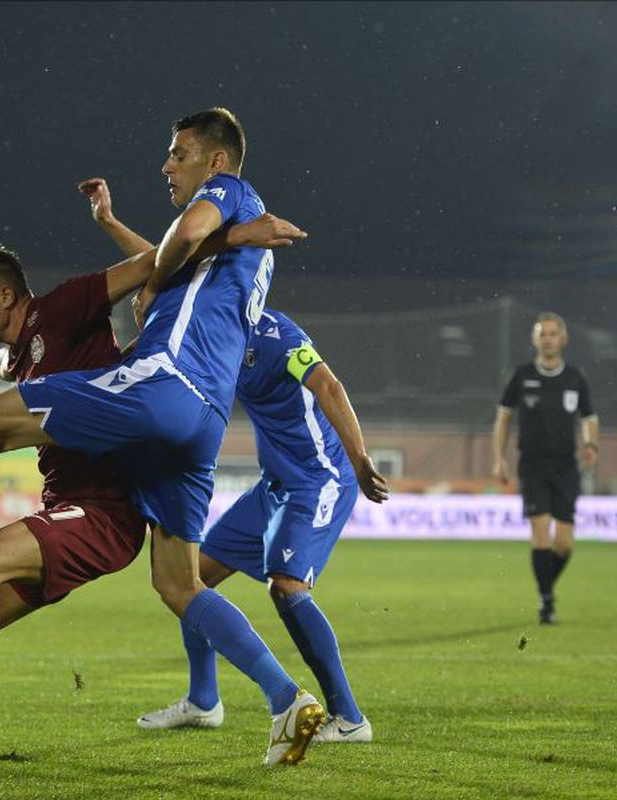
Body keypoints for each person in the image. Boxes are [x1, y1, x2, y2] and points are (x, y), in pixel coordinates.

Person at [0, 107, 330, 767]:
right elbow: (169, 259)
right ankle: (288, 701)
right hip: (201, 420)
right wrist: (124, 233)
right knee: (180, 585)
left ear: (215, 160)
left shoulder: (228, 196)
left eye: (178, 154)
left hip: (163, 387)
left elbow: (176, 245)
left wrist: (212, 241)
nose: (167, 166)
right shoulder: (225, 268)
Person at [80, 177, 388, 744]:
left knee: (287, 587)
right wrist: (107, 223)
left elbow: (329, 386)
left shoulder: (275, 333)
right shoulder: (216, 340)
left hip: (318, 478)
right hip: (275, 485)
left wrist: (360, 457)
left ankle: (349, 718)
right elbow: (167, 260)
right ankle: (203, 700)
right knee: (195, 582)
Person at [492, 312, 599, 625]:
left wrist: (592, 445)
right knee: (540, 535)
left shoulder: (575, 378)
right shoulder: (522, 375)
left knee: (564, 543)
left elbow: (590, 418)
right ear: (535, 339)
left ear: (563, 339)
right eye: (543, 334)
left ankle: (545, 588)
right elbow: (503, 416)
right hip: (533, 465)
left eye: (553, 334)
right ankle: (546, 601)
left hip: (566, 466)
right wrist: (499, 457)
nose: (548, 339)